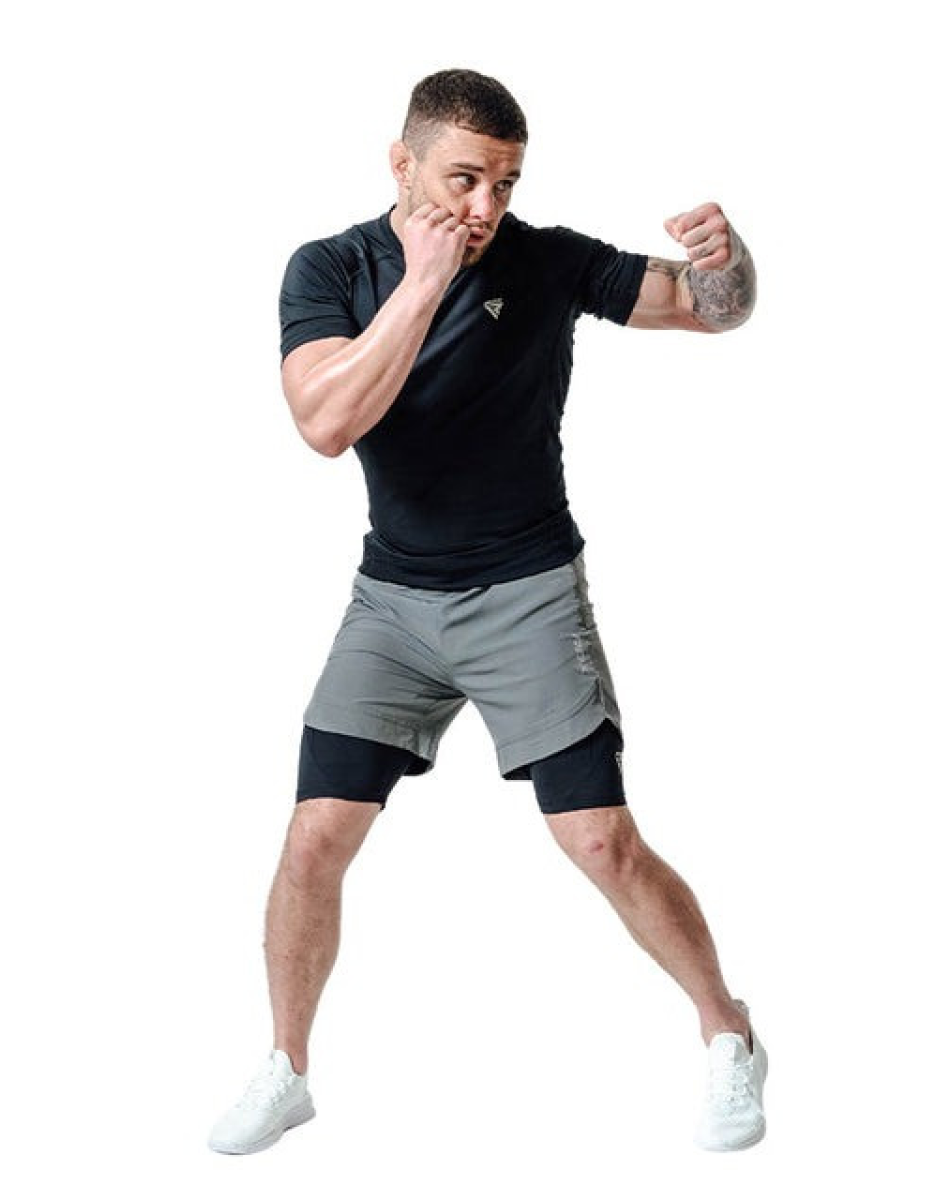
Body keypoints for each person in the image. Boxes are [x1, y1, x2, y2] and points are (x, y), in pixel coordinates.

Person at [209, 68, 766, 1157]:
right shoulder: (331, 268)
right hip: (391, 605)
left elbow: (711, 310)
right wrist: (423, 285)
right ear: (401, 164)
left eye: (504, 184)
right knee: (314, 838)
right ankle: (287, 1068)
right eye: (463, 179)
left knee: (600, 841)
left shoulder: (544, 260)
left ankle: (728, 1030)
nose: (484, 207)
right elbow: (324, 424)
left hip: (525, 595)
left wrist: (726, 262)